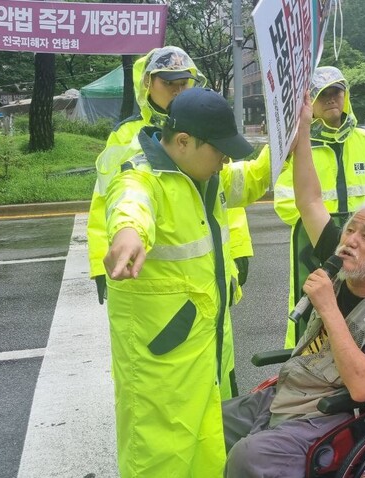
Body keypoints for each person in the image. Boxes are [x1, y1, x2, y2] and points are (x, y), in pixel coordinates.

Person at [222, 94, 365, 477]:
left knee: (248, 457)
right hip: (294, 391)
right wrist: (301, 131)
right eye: (351, 228)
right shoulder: (349, 263)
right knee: (207, 425)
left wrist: (329, 309)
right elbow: (310, 200)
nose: (350, 239)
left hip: (335, 415)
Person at [103, 87, 270, 477]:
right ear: (183, 142)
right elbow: (130, 205)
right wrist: (128, 233)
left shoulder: (205, 176)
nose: (226, 159)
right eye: (219, 150)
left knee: (208, 445)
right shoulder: (143, 179)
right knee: (162, 456)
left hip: (204, 346)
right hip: (162, 360)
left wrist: (286, 143)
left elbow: (251, 181)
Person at [87, 45, 255, 399]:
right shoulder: (129, 138)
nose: (179, 89)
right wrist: (107, 255)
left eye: (185, 82)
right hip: (154, 286)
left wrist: (238, 250)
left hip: (207, 285)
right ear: (148, 83)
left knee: (214, 379)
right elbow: (122, 197)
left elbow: (226, 194)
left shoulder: (204, 122)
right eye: (170, 83)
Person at [263, 66, 365, 348]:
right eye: (322, 95)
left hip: (363, 241)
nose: (331, 99)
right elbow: (287, 201)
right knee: (311, 306)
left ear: (345, 94)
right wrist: (327, 234)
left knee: (364, 306)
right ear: (311, 103)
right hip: (314, 241)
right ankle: (302, 363)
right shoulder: (301, 145)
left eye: (336, 92)